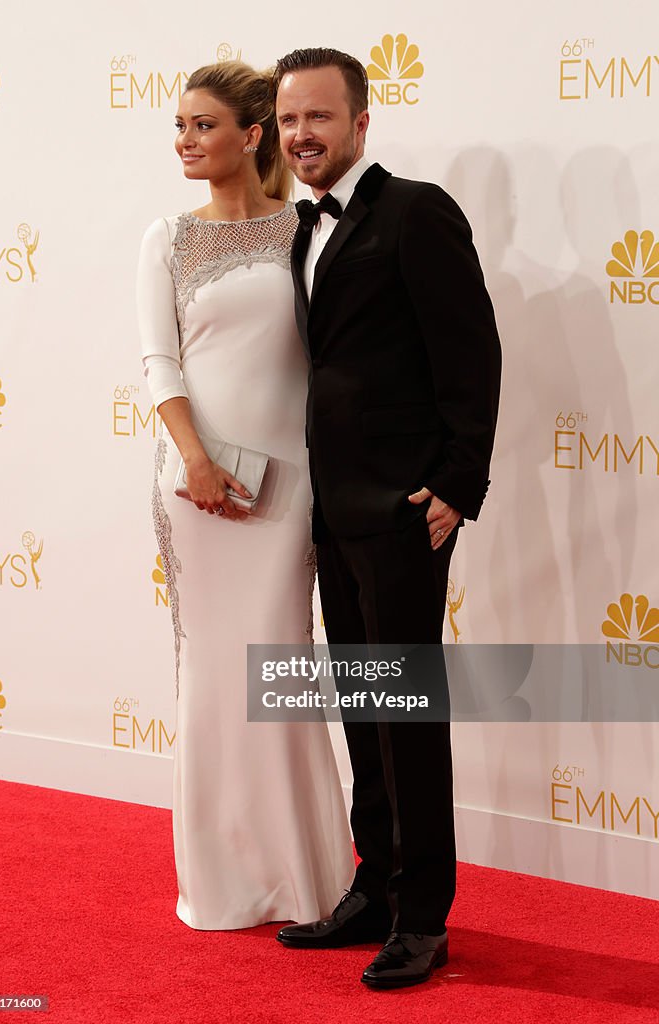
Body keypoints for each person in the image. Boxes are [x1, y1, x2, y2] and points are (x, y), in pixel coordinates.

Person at [272, 48, 501, 987]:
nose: (301, 136)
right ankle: (373, 884)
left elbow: (471, 350)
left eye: (319, 118)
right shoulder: (300, 226)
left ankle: (423, 915)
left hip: (407, 511)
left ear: (362, 122)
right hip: (333, 509)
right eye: (288, 121)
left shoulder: (416, 211)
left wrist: (458, 484)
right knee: (365, 709)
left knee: (406, 717)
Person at [136, 60, 354, 930]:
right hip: (194, 489)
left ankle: (306, 878)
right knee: (213, 678)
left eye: (203, 126)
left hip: (289, 489)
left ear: (252, 133)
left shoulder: (305, 229)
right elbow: (160, 363)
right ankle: (223, 882)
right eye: (180, 127)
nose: (185, 142)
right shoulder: (168, 237)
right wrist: (191, 458)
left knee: (283, 668)